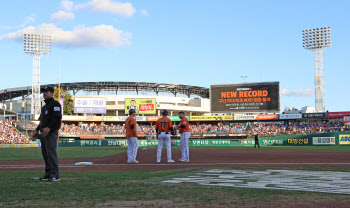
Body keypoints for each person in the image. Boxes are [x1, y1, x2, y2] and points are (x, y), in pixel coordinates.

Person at [31, 86, 62, 182]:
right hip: (43, 133)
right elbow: (42, 121)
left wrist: (49, 128)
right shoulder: (44, 107)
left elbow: (56, 118)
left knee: (51, 154)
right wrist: (36, 130)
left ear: (52, 93)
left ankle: (55, 175)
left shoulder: (55, 104)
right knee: (45, 154)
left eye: (46, 91)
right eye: (43, 92)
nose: (44, 93)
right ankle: (48, 174)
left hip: (51, 132)